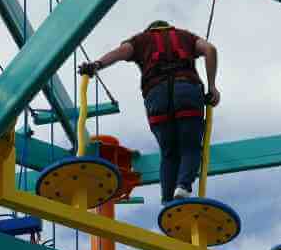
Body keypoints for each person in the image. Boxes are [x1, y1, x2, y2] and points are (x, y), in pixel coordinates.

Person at [78, 21, 219, 203]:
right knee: (190, 147)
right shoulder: (186, 37)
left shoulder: (140, 41)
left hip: (156, 95)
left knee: (169, 153)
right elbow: (210, 50)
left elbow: (119, 53)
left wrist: (96, 65)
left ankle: (168, 201)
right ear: (168, 28)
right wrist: (212, 86)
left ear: (150, 30)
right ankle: (183, 186)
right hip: (187, 91)